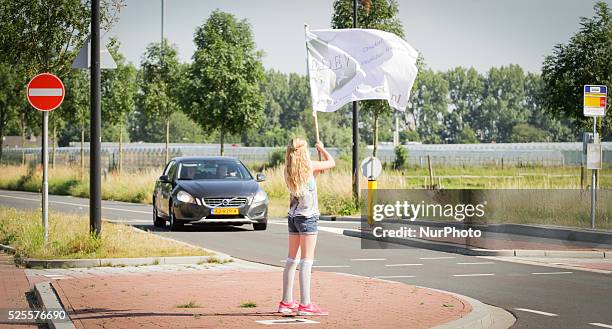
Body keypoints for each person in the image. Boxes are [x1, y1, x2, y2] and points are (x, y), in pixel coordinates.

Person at [278, 137, 335, 316]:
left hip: (293, 217)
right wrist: (322, 148)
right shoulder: (309, 166)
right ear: (304, 151)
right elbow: (331, 163)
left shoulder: (288, 170)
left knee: (291, 260)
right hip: (308, 217)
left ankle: (286, 302)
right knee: (306, 261)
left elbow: (310, 183)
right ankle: (305, 304)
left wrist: (318, 169)